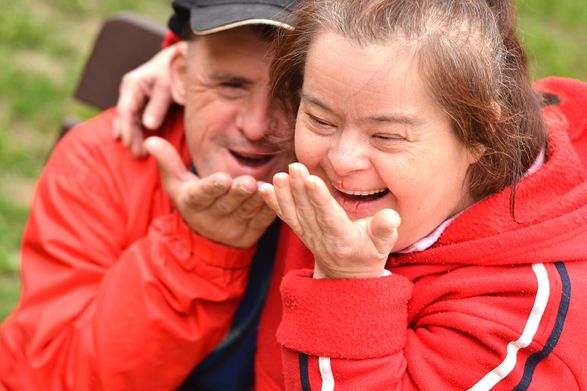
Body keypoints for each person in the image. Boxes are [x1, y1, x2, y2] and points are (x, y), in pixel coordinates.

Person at [254, 0, 587, 389]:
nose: (341, 161)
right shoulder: (310, 163)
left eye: (387, 136)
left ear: (479, 134)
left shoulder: (527, 319)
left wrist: (346, 284)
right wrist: (184, 59)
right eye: (320, 120)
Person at [0, 0, 298, 389]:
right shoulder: (101, 163)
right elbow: (51, 377)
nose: (257, 125)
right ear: (178, 74)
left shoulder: (361, 199)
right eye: (230, 85)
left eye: (293, 91)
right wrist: (199, 252)